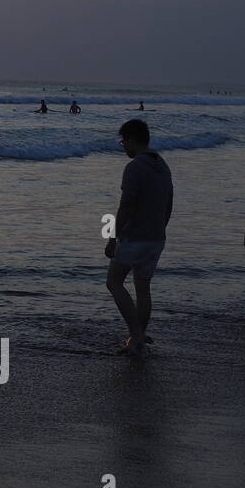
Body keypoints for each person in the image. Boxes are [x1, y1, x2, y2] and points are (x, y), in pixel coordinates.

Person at [105, 119, 173, 355]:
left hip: (134, 237)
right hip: (156, 237)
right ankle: (138, 339)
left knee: (113, 282)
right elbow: (169, 203)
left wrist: (113, 237)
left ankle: (136, 335)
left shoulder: (134, 168)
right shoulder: (162, 164)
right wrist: (160, 227)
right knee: (143, 287)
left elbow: (126, 207)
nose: (123, 147)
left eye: (123, 142)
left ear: (132, 139)